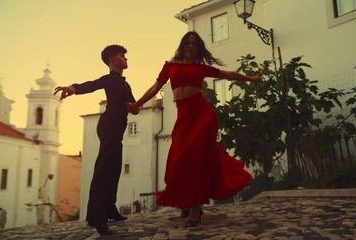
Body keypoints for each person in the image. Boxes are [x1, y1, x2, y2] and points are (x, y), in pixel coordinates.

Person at [127, 31, 261, 227]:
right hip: (184, 117)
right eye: (187, 43)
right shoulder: (170, 66)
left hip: (202, 115)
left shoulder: (200, 68)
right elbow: (155, 89)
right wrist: (137, 104)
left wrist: (251, 79)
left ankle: (195, 209)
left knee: (196, 159)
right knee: (178, 159)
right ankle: (186, 200)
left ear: (198, 48)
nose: (191, 46)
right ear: (182, 46)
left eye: (194, 44)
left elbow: (229, 75)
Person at [54, 44, 136, 235]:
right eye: (122, 55)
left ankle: (109, 208)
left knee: (115, 167)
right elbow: (91, 85)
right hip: (108, 125)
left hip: (118, 128)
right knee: (104, 169)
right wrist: (73, 88)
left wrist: (134, 106)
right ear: (111, 59)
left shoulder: (126, 84)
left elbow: (133, 106)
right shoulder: (108, 79)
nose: (125, 59)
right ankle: (96, 216)